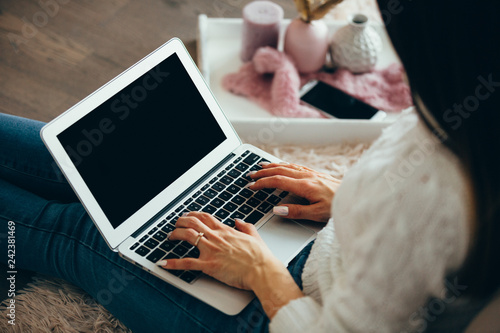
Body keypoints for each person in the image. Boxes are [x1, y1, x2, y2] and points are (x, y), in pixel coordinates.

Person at [1, 0, 499, 331]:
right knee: (77, 161)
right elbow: (409, 232)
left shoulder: (433, 190)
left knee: (75, 231)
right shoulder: (472, 119)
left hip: (277, 314)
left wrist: (262, 272)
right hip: (323, 250)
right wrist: (346, 199)